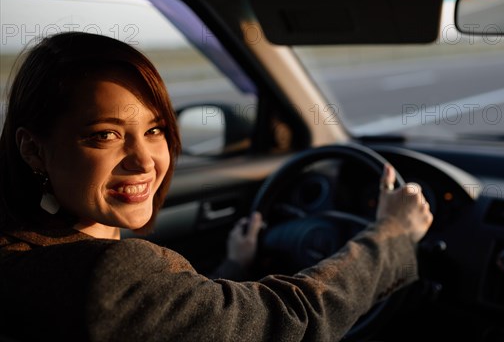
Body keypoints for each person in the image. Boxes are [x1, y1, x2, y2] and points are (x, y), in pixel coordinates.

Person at [0, 32, 433, 342]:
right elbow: (296, 319)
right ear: (33, 150)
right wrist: (392, 234)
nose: (144, 160)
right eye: (104, 135)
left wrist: (232, 266)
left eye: (154, 130)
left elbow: (177, 318)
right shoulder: (108, 276)